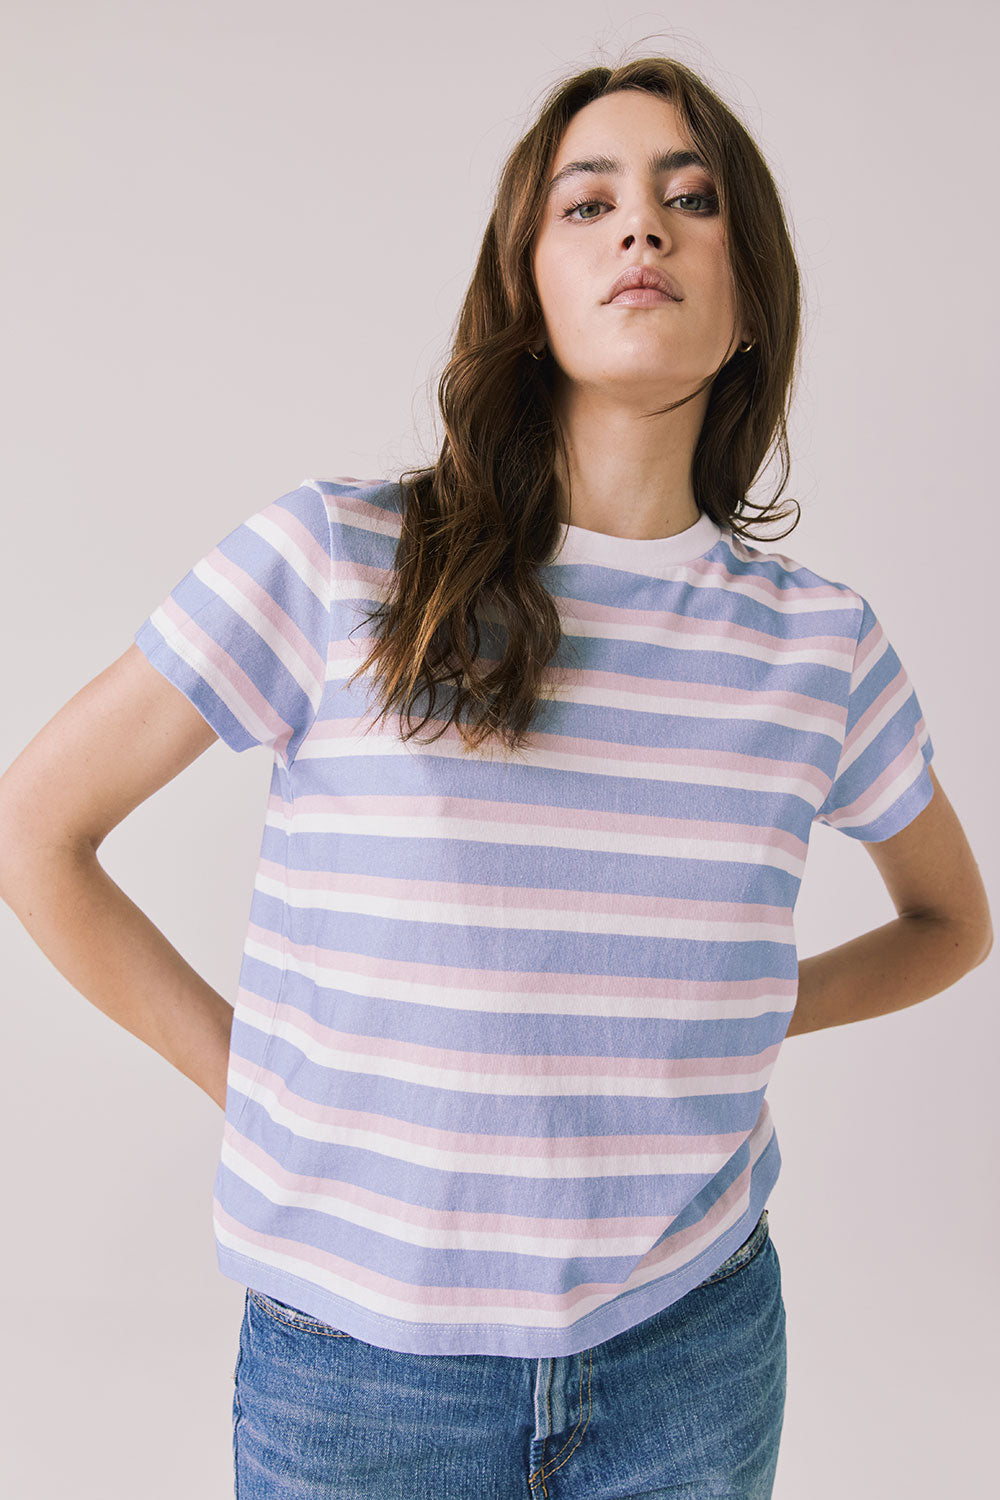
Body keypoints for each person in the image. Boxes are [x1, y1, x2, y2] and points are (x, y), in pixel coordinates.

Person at [0, 52, 992, 1500]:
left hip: (691, 1356)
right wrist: (255, 1085)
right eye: (588, 203)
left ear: (752, 293)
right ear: (527, 290)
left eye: (690, 198)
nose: (641, 228)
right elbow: (37, 829)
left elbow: (953, 923)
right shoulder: (339, 560)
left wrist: (766, 997)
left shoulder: (820, 647)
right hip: (358, 1374)